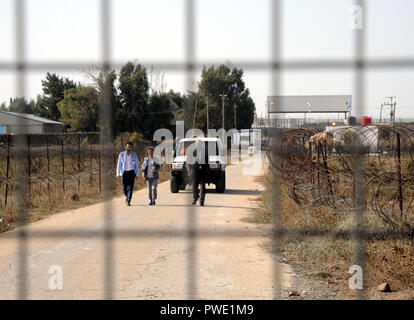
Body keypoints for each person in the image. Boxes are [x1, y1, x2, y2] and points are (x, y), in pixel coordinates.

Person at [116, 141, 139, 206]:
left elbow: (136, 165)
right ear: (125, 147)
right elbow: (119, 165)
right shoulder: (121, 154)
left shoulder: (134, 155)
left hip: (132, 172)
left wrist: (137, 174)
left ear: (131, 148)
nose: (129, 148)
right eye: (128, 146)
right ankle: (127, 196)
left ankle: (128, 200)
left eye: (130, 147)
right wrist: (118, 173)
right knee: (124, 187)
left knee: (131, 187)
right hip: (124, 173)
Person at [188, 140, 209, 206]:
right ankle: (195, 198)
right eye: (197, 144)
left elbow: (207, 161)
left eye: (200, 144)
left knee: (203, 186)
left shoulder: (205, 151)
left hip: (203, 171)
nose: (198, 145)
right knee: (194, 186)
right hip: (195, 171)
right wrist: (190, 168)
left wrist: (207, 170)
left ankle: (202, 201)